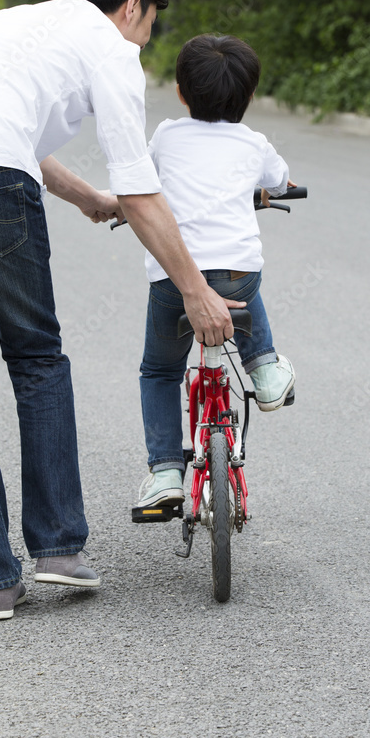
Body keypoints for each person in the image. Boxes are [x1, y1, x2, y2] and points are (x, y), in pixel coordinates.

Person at [0, 0, 244, 620]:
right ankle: (56, 552)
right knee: (36, 360)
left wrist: (82, 197)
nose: (142, 39)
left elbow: (4, 133)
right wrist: (193, 288)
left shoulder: (12, 21)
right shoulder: (109, 46)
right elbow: (139, 190)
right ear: (132, 6)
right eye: (148, 25)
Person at [137, 34, 296, 509]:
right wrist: (272, 187)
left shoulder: (166, 135)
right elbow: (279, 181)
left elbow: (144, 178)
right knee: (243, 275)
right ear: (249, 97)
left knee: (160, 371)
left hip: (173, 280)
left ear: (182, 93)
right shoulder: (254, 143)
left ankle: (166, 473)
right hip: (235, 271)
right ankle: (263, 368)